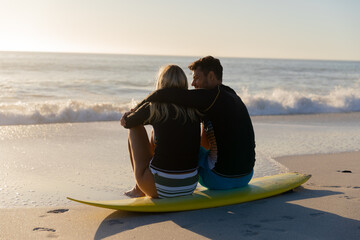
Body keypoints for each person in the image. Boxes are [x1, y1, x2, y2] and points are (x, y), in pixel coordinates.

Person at [145, 56, 255, 190]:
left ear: (211, 76)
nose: (193, 84)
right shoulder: (231, 94)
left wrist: (138, 109)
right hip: (246, 176)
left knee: (183, 144)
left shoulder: (209, 97)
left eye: (196, 78)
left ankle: (158, 176)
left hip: (219, 179)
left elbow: (168, 94)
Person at [120, 65, 201, 198]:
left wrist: (128, 116)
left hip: (161, 188)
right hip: (189, 186)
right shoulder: (194, 109)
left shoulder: (155, 107)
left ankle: (138, 188)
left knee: (135, 127)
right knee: (155, 132)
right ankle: (153, 177)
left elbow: (128, 122)